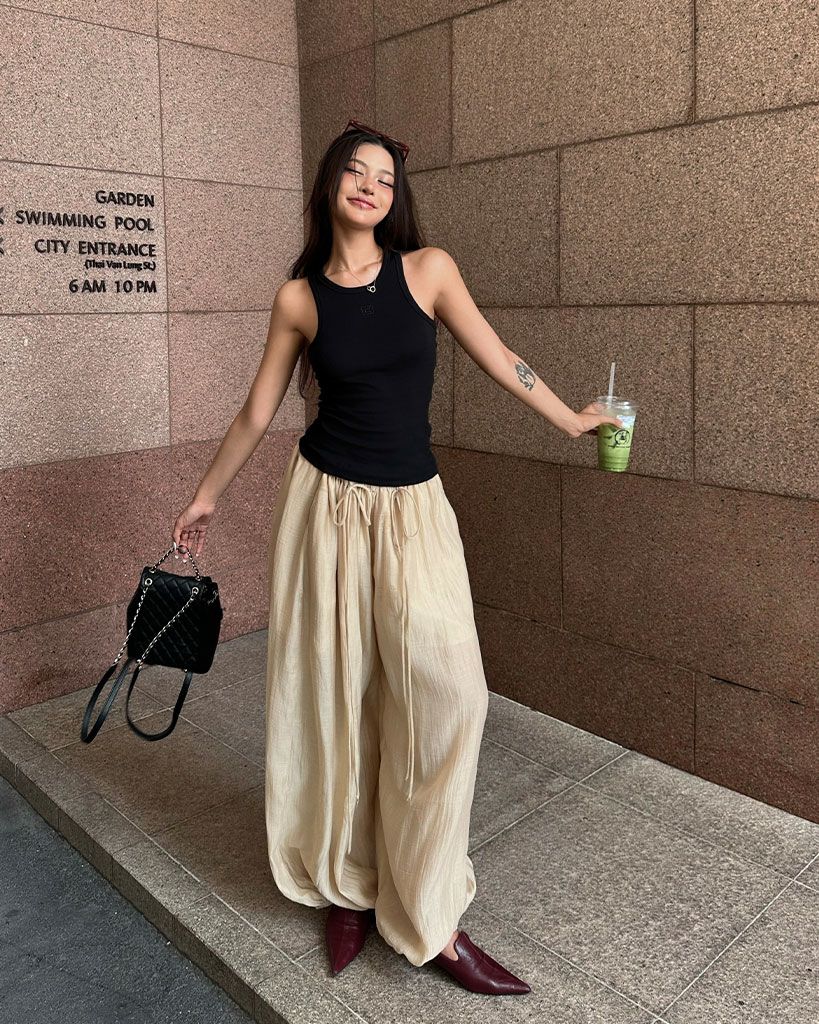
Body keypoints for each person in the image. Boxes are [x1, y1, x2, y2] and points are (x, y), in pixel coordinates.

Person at [171, 119, 623, 996]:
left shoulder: (429, 271)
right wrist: (206, 496)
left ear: (395, 196)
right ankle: (348, 883)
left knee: (451, 695)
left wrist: (571, 418)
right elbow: (257, 411)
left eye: (383, 177)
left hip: (413, 511)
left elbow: (500, 357)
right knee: (336, 700)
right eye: (355, 171)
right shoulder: (299, 298)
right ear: (330, 183)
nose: (369, 186)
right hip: (325, 508)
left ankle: (428, 913)